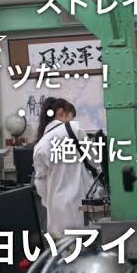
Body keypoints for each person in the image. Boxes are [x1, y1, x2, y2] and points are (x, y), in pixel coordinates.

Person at [32, 97, 96, 237]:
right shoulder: (73, 129)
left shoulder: (40, 145)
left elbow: (41, 184)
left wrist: (51, 201)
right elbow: (94, 161)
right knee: (85, 247)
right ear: (61, 112)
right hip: (82, 206)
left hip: (57, 212)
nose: (71, 120)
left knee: (64, 247)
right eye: (71, 116)